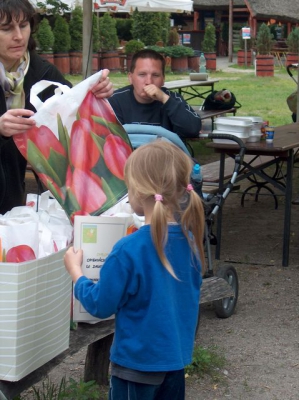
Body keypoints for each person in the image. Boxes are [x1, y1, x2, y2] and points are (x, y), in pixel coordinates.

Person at [64, 140, 206, 400]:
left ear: (140, 192)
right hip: (175, 362)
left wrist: (76, 272)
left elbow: (100, 305)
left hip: (135, 367)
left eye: (128, 186)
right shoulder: (191, 240)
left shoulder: (128, 249)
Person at [0, 0, 113, 215]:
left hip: (14, 198)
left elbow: (74, 112)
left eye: (24, 25)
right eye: (6, 29)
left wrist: (97, 92)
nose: (19, 36)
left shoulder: (43, 73)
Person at [108, 49, 202, 139]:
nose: (149, 81)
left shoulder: (172, 98)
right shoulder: (115, 101)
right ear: (130, 77)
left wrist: (165, 99)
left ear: (163, 79)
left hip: (166, 154)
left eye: (155, 75)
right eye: (142, 74)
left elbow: (193, 130)